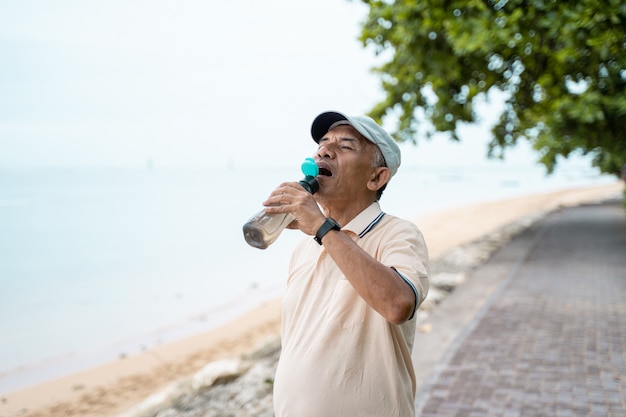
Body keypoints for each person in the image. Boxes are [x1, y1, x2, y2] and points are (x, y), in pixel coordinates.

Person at [264, 111, 430, 417]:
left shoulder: (398, 234)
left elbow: (398, 305)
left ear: (376, 177)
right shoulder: (305, 248)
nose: (325, 150)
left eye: (346, 146)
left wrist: (320, 226)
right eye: (324, 143)